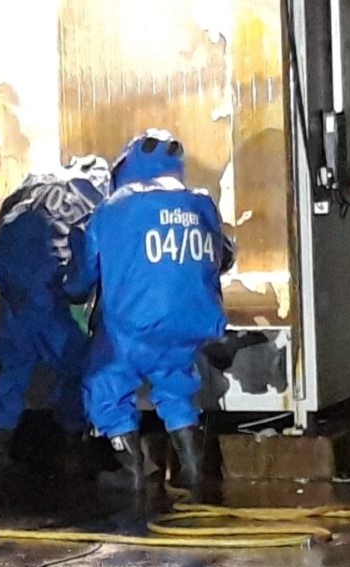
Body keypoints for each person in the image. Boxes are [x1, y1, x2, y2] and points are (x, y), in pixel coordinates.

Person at [63, 130, 235, 500]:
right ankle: (191, 471)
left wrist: (71, 290)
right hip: (191, 324)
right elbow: (223, 257)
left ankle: (133, 473)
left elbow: (83, 277)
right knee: (175, 385)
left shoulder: (114, 208)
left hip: (131, 327)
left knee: (104, 384)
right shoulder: (202, 204)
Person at [0, 156, 111, 481]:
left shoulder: (33, 184)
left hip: (14, 296)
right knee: (75, 370)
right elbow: (92, 260)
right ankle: (73, 455)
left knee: (9, 373)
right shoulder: (95, 198)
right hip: (55, 298)